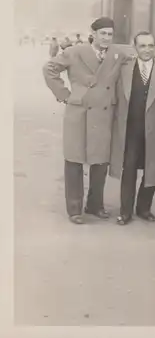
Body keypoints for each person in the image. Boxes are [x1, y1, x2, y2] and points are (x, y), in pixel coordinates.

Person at [43, 17, 127, 225]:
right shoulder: (75, 51)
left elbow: (141, 60)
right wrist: (64, 94)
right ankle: (74, 209)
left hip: (104, 114)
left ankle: (95, 205)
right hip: (79, 113)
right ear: (94, 33)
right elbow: (49, 69)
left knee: (100, 162)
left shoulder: (117, 54)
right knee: (74, 161)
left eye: (110, 34)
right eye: (103, 34)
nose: (106, 38)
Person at [109, 31, 155, 225]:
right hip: (130, 128)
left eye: (151, 46)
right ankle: (125, 211)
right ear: (135, 48)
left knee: (151, 168)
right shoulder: (125, 67)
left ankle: (144, 208)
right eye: (142, 46)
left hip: (154, 128)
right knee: (129, 169)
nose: (147, 50)